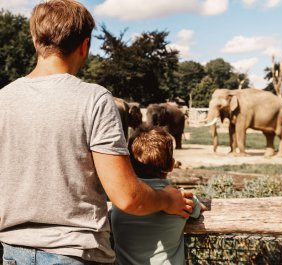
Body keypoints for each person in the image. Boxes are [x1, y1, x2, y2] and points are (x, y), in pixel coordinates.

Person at [0, 1, 194, 264]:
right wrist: (166, 200)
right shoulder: (94, 99)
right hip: (75, 253)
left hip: (13, 252)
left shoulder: (4, 98)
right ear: (85, 46)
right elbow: (126, 197)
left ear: (35, 41)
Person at [111, 127, 207, 265]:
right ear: (172, 165)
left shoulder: (121, 199)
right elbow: (199, 209)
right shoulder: (181, 198)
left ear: (130, 164)